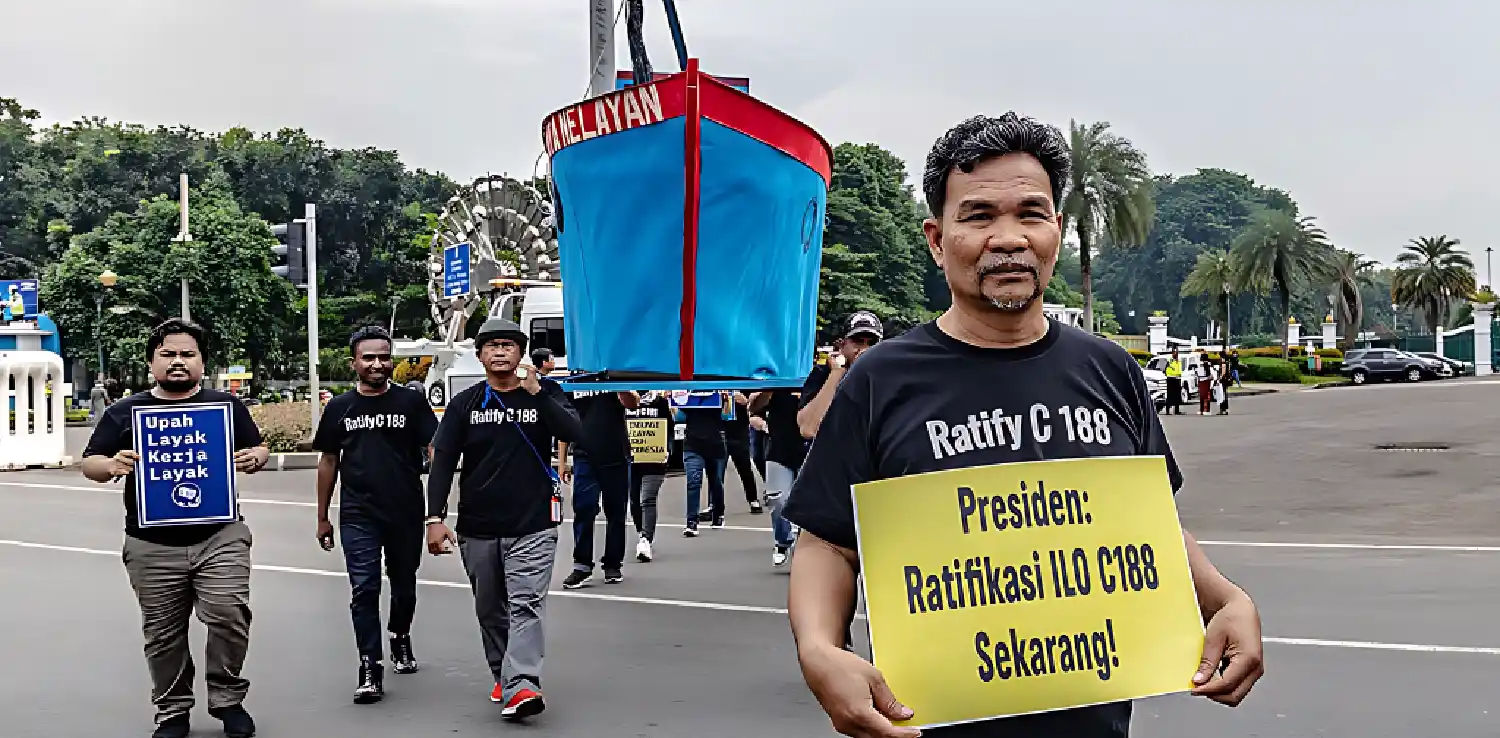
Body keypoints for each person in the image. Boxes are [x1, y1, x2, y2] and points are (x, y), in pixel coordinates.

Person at [782, 113, 1264, 738]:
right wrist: (819, 648)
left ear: (1056, 231)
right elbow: (828, 542)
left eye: (1030, 214)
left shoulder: (1110, 371)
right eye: (979, 216)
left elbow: (1150, 529)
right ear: (937, 239)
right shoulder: (881, 380)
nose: (1008, 238)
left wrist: (1226, 598)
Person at [80, 318, 270, 738]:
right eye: (168, 354)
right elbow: (89, 462)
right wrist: (111, 465)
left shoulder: (225, 407)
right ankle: (173, 711)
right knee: (163, 634)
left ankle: (228, 700)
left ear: (202, 362)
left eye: (188, 354)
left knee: (229, 614)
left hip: (220, 535)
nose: (178, 361)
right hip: (150, 542)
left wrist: (257, 456)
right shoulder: (125, 412)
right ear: (152, 362)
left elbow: (257, 446)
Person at [423, 318, 582, 721]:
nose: (499, 351)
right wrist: (434, 517)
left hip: (533, 524)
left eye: (508, 345)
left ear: (520, 354)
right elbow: (443, 461)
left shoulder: (545, 394)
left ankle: (522, 682)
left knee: (526, 604)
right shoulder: (466, 403)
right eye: (491, 345)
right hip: (478, 526)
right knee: (490, 609)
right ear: (479, 355)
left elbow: (574, 431)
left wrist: (539, 394)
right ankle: (505, 674)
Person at [312, 325, 439, 704]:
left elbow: (435, 449)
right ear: (354, 362)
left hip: (405, 511)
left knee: (403, 584)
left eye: (384, 357)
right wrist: (322, 516)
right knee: (364, 589)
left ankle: (400, 635)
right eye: (368, 358)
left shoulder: (411, 403)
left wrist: (436, 510)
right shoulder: (339, 408)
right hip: (358, 514)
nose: (377, 364)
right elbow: (329, 461)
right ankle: (370, 667)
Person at [558, 387, 640, 589]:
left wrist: (619, 386)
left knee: (616, 511)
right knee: (583, 508)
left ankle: (613, 564)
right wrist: (562, 462)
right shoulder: (576, 383)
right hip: (584, 455)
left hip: (616, 455)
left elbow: (632, 403)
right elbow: (564, 424)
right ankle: (582, 565)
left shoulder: (612, 378)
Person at [797, 311, 884, 439]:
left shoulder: (885, 378)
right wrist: (836, 373)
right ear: (842, 345)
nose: (864, 349)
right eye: (858, 341)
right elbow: (808, 429)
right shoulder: (823, 373)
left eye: (872, 343)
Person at [749, 386, 806, 566]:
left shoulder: (818, 379)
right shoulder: (778, 383)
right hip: (778, 450)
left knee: (808, 504)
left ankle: (804, 549)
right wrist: (767, 392)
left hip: (810, 450)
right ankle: (782, 542)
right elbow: (754, 410)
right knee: (777, 499)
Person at [626, 390, 674, 561]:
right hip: (631, 458)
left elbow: (669, 427)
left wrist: (667, 450)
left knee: (648, 499)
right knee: (634, 499)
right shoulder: (624, 399)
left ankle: (646, 539)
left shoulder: (659, 402)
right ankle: (642, 533)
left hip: (654, 458)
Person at [679, 391, 728, 535]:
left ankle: (718, 513)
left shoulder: (718, 391)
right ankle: (691, 522)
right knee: (693, 481)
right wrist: (672, 398)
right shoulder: (687, 391)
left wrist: (726, 399)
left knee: (716, 482)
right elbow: (678, 417)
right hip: (692, 444)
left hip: (715, 443)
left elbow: (726, 415)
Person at [721, 390, 764, 513]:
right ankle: (714, 503)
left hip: (739, 431)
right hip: (719, 430)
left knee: (745, 468)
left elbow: (756, 404)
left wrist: (746, 402)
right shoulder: (716, 384)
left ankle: (753, 499)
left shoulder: (743, 384)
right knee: (717, 470)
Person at [1163, 347, 1184, 415]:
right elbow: (1165, 370)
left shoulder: (1178, 361)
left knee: (1177, 395)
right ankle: (1167, 411)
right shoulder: (1170, 361)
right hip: (1170, 379)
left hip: (1177, 379)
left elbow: (1179, 370)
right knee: (1170, 395)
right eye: (1174, 352)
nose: (1176, 354)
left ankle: (1177, 411)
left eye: (1176, 353)